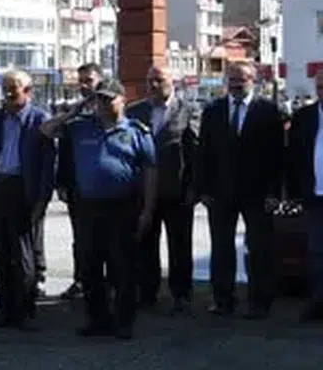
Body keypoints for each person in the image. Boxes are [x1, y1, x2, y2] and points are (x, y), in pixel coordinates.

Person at [41, 79, 156, 339]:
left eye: (108, 99)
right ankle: (97, 319)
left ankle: (124, 321)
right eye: (99, 99)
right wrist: (77, 108)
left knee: (122, 267)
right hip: (88, 207)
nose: (103, 104)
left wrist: (148, 209)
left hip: (123, 206)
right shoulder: (81, 127)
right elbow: (47, 130)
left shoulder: (136, 131)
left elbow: (150, 171)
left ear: (122, 100)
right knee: (90, 265)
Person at [196, 59, 284, 319]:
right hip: (221, 192)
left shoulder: (268, 111)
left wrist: (274, 193)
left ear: (253, 81)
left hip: (258, 193)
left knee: (258, 249)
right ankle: (223, 299)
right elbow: (204, 153)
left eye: (241, 80)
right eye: (231, 80)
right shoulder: (213, 111)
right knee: (221, 248)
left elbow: (277, 156)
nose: (235, 85)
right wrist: (204, 189)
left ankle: (259, 302)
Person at [0, 70, 54, 329]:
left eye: (13, 88)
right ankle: (6, 310)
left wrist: (42, 198)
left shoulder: (40, 120)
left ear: (27, 91)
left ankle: (25, 310)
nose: (7, 93)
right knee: (0, 251)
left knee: (23, 254)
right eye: (5, 88)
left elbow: (48, 164)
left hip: (23, 190)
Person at [126, 66, 200, 314]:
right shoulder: (135, 112)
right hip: (145, 191)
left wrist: (194, 188)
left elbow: (195, 154)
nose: (154, 85)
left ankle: (181, 293)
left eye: (159, 80)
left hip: (177, 190)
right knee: (145, 243)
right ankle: (147, 291)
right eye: (150, 81)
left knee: (179, 244)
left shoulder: (188, 111)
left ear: (173, 82)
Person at [55, 62, 103, 300]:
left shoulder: (110, 110)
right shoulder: (74, 113)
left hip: (104, 187)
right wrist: (61, 183)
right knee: (80, 238)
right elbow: (63, 147)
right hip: (77, 186)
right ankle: (80, 280)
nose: (84, 86)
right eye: (81, 81)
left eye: (89, 80)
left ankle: (106, 282)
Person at [283, 66, 323, 323]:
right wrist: (292, 192)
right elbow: (293, 157)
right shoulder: (305, 117)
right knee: (317, 251)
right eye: (320, 87)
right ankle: (318, 302)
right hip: (315, 197)